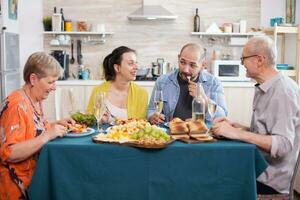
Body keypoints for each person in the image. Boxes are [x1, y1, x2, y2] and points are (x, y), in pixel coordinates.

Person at [212, 35, 300, 194]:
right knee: (213, 169)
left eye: (243, 58)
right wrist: (240, 128)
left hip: (270, 179)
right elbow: (265, 134)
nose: (241, 63)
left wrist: (236, 133)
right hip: (259, 168)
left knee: (214, 180)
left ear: (259, 60)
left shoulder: (283, 92)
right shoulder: (266, 88)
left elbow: (283, 145)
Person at [0, 52, 75, 199]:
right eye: (50, 82)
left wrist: (55, 124)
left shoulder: (35, 99)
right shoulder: (17, 106)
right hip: (16, 188)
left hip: (35, 177)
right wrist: (48, 135)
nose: (54, 87)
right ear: (33, 79)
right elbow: (10, 153)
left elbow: (34, 131)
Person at [148, 43, 227, 124]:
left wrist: (205, 101)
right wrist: (152, 117)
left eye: (192, 65)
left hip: (201, 134)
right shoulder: (162, 81)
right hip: (170, 133)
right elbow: (151, 109)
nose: (186, 69)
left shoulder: (214, 83)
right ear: (178, 58)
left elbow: (222, 117)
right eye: (182, 62)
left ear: (203, 65)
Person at [87, 46, 148, 122]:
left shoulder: (141, 94)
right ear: (117, 68)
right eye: (131, 63)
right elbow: (89, 122)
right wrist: (98, 121)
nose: (136, 67)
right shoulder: (98, 91)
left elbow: (142, 125)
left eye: (136, 63)